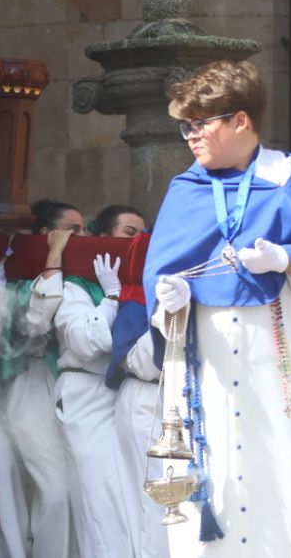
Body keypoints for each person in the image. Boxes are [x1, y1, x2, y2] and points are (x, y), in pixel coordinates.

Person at [145, 59, 291, 556]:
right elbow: (160, 275)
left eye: (198, 124)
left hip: (283, 354)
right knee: (221, 472)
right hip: (210, 369)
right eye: (184, 125)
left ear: (240, 121)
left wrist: (289, 257)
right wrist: (172, 304)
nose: (189, 136)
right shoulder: (185, 189)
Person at [0, 201, 82, 558]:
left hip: (68, 385)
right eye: (73, 230)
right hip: (28, 384)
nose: (83, 237)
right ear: (48, 235)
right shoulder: (15, 279)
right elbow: (36, 323)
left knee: (71, 490)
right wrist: (54, 258)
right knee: (55, 490)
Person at [95, 205, 167, 558]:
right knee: (154, 505)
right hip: (147, 400)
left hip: (172, 401)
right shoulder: (139, 297)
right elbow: (142, 361)